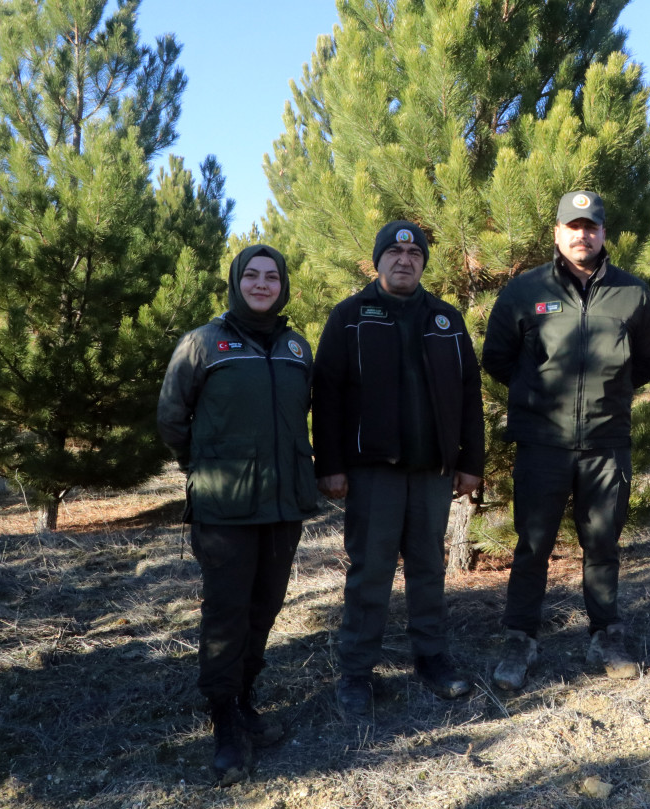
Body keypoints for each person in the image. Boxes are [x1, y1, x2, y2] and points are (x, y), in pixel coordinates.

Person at [482, 190, 650, 691]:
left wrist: (611, 396)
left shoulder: (632, 293)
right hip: (542, 441)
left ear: (604, 233)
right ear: (557, 233)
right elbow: (497, 358)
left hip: (607, 442)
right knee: (533, 544)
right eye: (573, 226)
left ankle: (607, 633)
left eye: (591, 226)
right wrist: (538, 396)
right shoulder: (525, 290)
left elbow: (648, 360)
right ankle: (520, 637)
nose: (582, 235)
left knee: (602, 543)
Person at [158, 244, 317, 785]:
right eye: (251, 275)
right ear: (235, 281)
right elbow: (172, 418)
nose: (262, 283)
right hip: (225, 506)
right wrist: (206, 467)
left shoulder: (298, 347)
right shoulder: (203, 343)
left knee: (265, 606)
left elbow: (301, 413)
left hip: (283, 504)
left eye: (272, 276)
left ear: (283, 285)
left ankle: (246, 695)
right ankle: (223, 714)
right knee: (226, 611)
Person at [312, 220, 484, 717]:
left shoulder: (445, 320)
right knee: (370, 574)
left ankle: (432, 659)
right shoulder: (350, 316)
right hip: (372, 473)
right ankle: (356, 673)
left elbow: (470, 396)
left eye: (414, 253)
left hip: (432, 472)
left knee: (429, 569)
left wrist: (470, 462)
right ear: (377, 261)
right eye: (394, 252)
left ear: (424, 263)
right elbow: (325, 397)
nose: (404, 259)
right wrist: (331, 465)